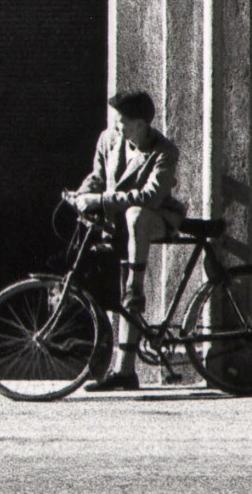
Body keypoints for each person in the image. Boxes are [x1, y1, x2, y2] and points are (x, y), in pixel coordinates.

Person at [67, 89, 182, 392]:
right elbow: (98, 175)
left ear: (141, 124)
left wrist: (101, 200)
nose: (117, 128)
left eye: (123, 123)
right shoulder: (108, 140)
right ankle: (123, 372)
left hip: (154, 220)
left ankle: (137, 281)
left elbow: (150, 196)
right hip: (116, 226)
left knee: (136, 214)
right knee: (106, 286)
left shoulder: (164, 151)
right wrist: (81, 195)